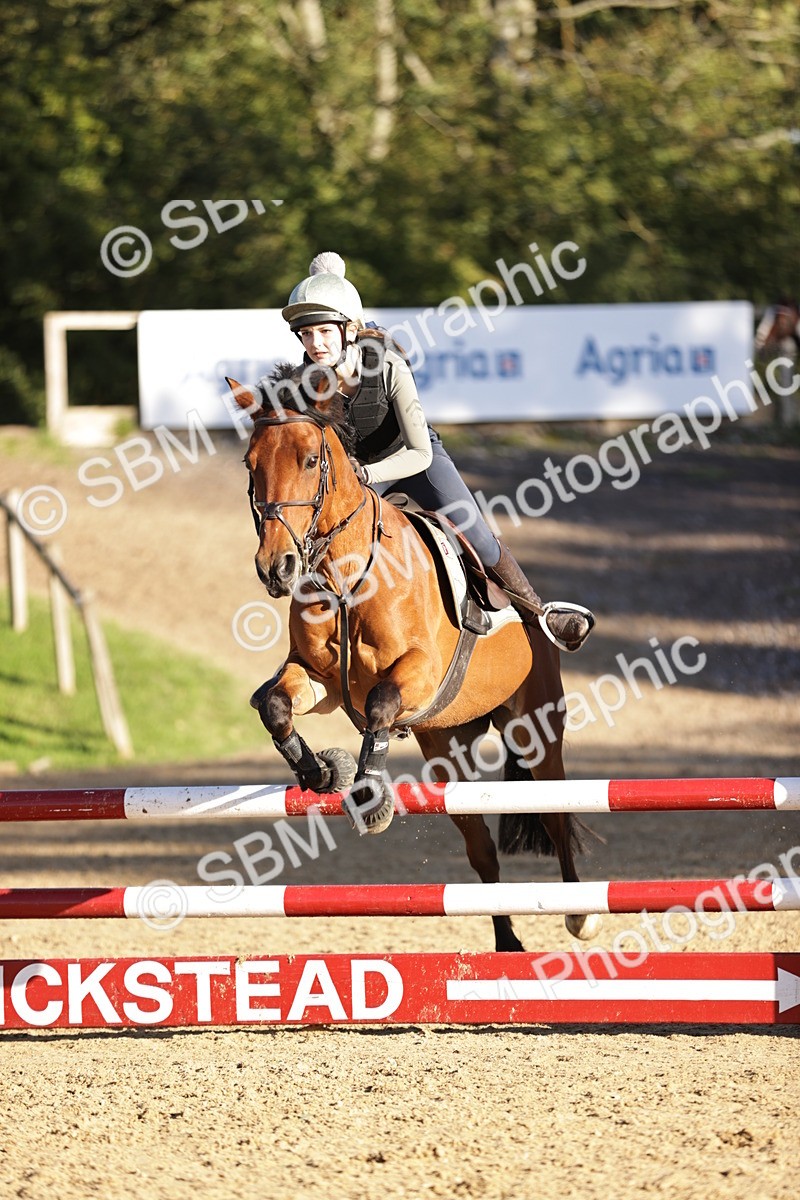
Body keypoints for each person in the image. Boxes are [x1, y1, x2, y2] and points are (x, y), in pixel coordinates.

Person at [279, 251, 595, 651]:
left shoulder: (389, 364)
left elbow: (420, 452)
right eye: (306, 335)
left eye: (324, 331)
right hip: (361, 477)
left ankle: (538, 614)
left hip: (414, 462)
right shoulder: (305, 384)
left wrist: (368, 475)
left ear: (349, 329)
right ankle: (309, 651)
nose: (315, 344)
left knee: (474, 530)